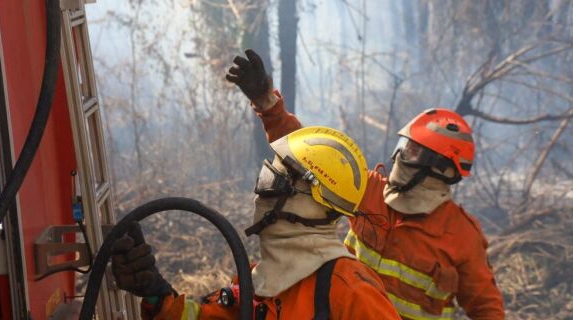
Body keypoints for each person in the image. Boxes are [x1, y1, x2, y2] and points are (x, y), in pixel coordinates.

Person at [226, 50, 505, 320]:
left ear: (445, 170)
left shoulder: (462, 237)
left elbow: (487, 310)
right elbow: (310, 160)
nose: (400, 156)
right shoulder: (370, 192)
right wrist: (267, 104)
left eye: (415, 151)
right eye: (404, 145)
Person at [111, 126, 401, 319]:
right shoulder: (261, 278)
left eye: (273, 181)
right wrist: (157, 294)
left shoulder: (349, 289)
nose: (259, 192)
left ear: (310, 200)